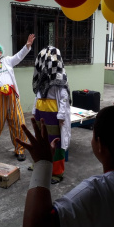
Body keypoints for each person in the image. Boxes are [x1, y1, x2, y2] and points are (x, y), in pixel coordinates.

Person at [31, 46, 71, 184]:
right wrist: (34, 109)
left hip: (53, 114)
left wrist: (61, 115)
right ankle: (39, 164)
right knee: (40, 139)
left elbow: (64, 96)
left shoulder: (59, 75)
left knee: (55, 142)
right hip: (40, 112)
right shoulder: (41, 77)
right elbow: (38, 95)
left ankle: (57, 173)